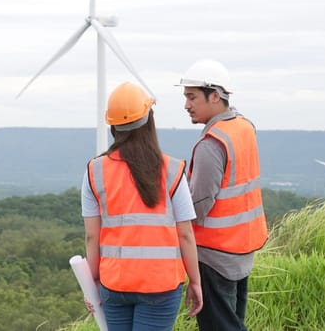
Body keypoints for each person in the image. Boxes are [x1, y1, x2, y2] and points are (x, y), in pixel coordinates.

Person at [81, 81, 203, 331]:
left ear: (112, 125)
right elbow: (185, 235)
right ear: (149, 121)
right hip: (160, 286)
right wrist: (195, 281)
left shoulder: (95, 171)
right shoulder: (172, 170)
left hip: (114, 285)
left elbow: (92, 236)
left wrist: (91, 284)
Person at [175, 59, 269, 331]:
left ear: (215, 96)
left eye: (192, 97)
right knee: (234, 323)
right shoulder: (244, 128)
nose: (186, 105)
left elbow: (197, 206)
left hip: (215, 255)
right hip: (242, 249)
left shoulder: (212, 144)